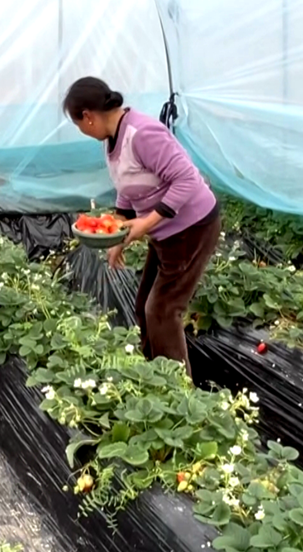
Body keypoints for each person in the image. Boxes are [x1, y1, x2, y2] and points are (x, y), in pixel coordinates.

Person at [63, 76, 221, 380]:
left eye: (78, 124)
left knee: (162, 311)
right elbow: (128, 187)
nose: (81, 131)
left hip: (192, 228)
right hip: (166, 232)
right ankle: (152, 375)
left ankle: (177, 391)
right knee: (144, 306)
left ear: (88, 116)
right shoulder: (112, 137)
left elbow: (187, 179)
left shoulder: (143, 133)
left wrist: (146, 222)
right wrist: (118, 234)